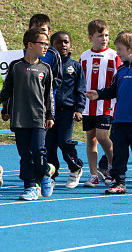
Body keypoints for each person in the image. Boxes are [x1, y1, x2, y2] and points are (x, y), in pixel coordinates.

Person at [85, 31, 132, 194]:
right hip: (119, 118)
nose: (117, 52)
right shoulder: (121, 69)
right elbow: (113, 90)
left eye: (120, 49)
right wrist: (98, 94)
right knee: (119, 152)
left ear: (131, 49)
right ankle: (119, 182)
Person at [0, 28, 56, 200]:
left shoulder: (45, 68)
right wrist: (5, 108)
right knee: (25, 154)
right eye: (43, 43)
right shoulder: (16, 66)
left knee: (38, 150)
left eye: (47, 44)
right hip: (19, 119)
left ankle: (46, 172)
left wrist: (50, 115)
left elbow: (49, 95)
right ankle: (31, 186)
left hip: (39, 118)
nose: (46, 47)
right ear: (30, 45)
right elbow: (7, 90)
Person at [80, 20, 120, 187]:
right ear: (91, 37)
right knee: (91, 138)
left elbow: (118, 80)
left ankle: (111, 168)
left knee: (103, 136)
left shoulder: (113, 56)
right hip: (88, 105)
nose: (104, 38)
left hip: (106, 103)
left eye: (106, 35)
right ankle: (93, 174)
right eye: (100, 35)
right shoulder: (84, 56)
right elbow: (81, 79)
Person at [45, 31, 86, 189]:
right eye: (59, 42)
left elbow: (80, 89)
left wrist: (79, 109)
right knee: (49, 145)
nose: (63, 45)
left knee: (64, 141)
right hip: (49, 112)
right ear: (51, 46)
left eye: (66, 42)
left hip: (68, 111)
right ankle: (51, 175)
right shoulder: (47, 65)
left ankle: (76, 167)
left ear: (70, 45)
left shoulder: (75, 66)